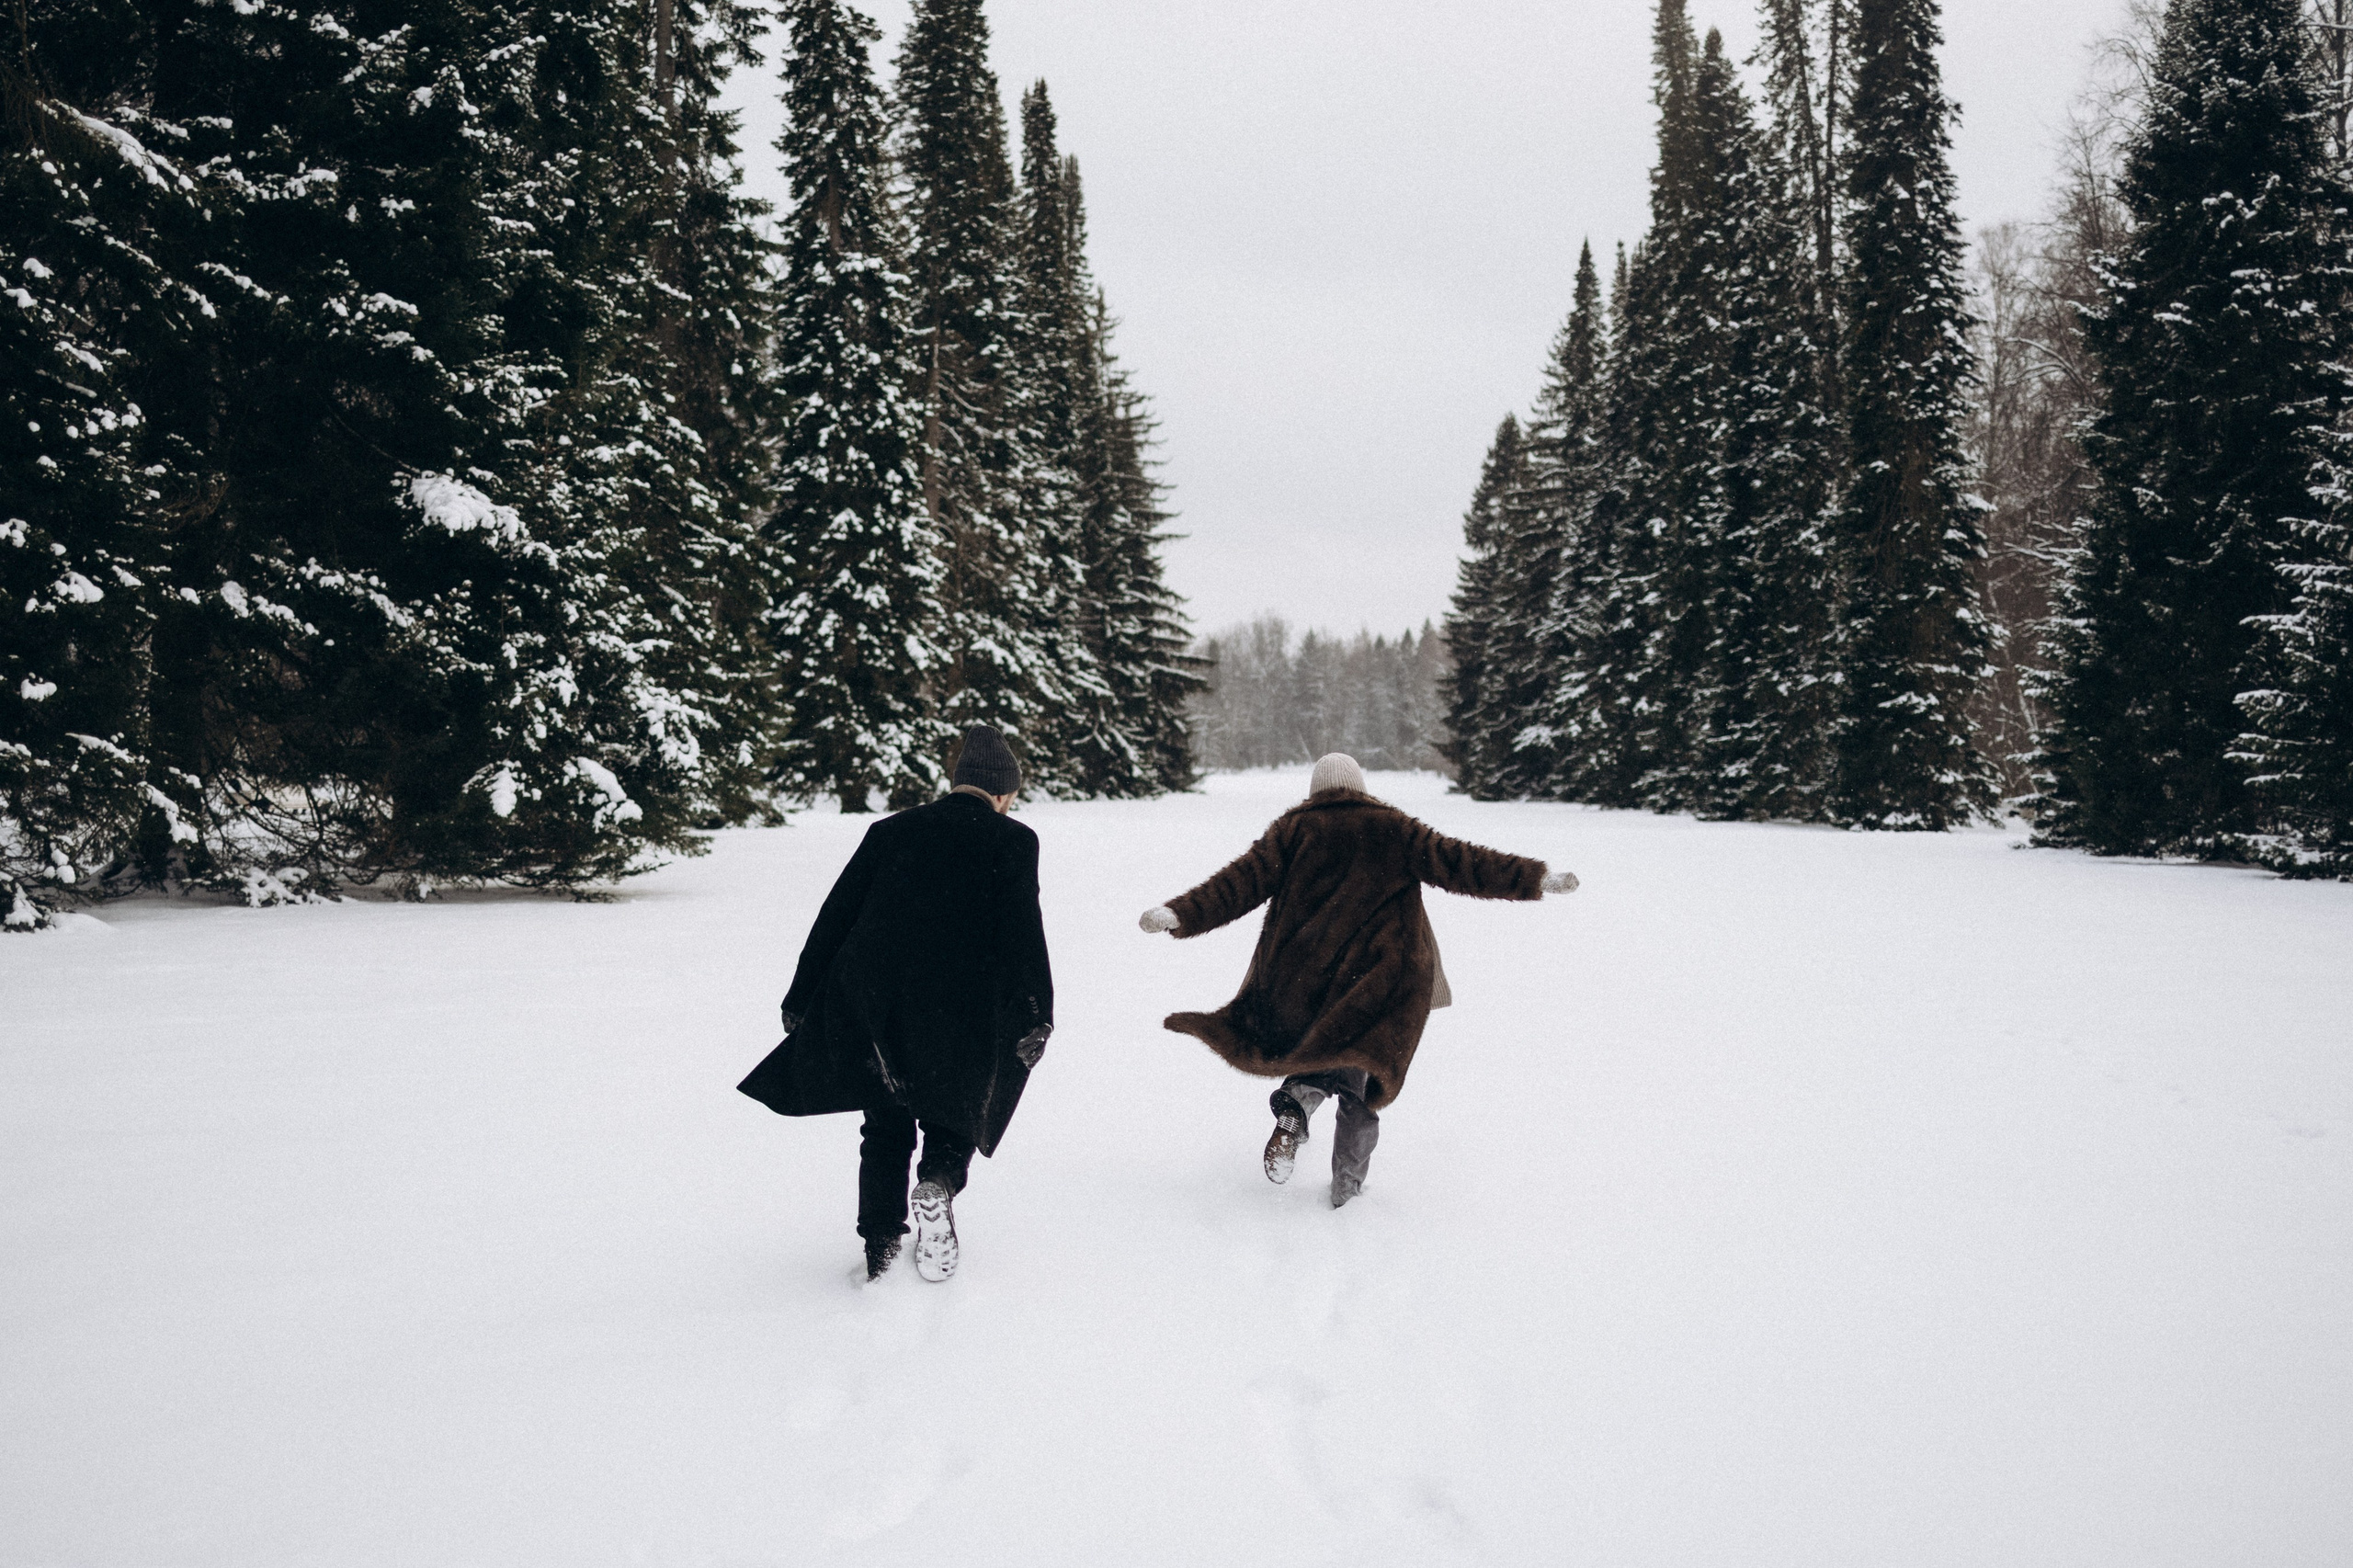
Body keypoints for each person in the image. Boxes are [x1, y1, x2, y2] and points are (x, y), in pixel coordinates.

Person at [1137, 753, 1575, 1207]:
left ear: (1315, 792)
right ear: (1360, 786)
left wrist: (1180, 913)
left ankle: (1297, 1102)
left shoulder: (1292, 831)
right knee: (1361, 1079)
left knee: (1319, 1050)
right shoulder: (1393, 827)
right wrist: (1535, 878)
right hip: (1378, 977)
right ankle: (1346, 1188)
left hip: (1308, 976)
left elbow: (1237, 883)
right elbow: (1462, 862)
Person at [739, 726, 1053, 1283]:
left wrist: (801, 995)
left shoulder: (891, 830)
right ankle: (937, 1182)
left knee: (885, 1124)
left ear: (957, 782)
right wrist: (1037, 1012)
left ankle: (881, 1247)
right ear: (1004, 792)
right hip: (964, 1004)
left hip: (878, 1000)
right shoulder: (1014, 840)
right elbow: (1023, 931)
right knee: (955, 1111)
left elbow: (835, 916)